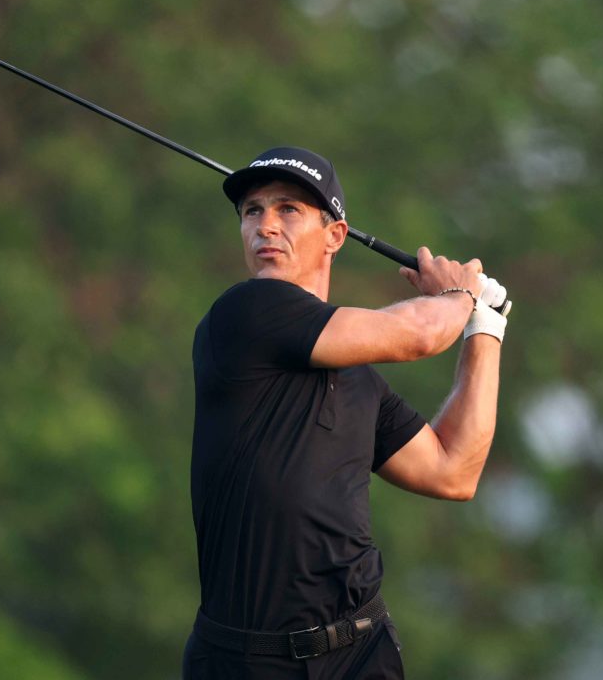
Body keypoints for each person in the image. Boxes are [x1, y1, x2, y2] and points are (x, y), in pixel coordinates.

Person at [183, 147, 510, 679]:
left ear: (335, 235)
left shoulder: (360, 381)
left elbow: (453, 471)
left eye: (288, 209)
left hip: (361, 653)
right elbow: (423, 333)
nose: (265, 225)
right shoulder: (244, 314)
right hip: (247, 661)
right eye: (252, 211)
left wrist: (484, 329)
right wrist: (459, 294)